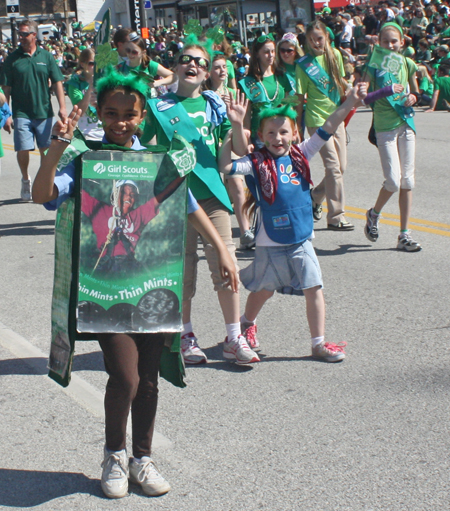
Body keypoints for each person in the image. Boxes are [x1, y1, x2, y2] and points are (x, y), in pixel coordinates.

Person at [32, 69, 239, 499]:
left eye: (129, 114)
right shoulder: (88, 158)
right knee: (124, 377)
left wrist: (220, 246)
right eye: (111, 113)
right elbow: (43, 193)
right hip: (103, 289)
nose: (120, 122)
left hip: (154, 285)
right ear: (101, 114)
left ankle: (142, 460)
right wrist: (55, 149)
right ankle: (113, 454)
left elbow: (181, 201)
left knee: (148, 380)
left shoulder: (159, 159)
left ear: (142, 115)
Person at [219, 85, 368, 361]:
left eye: (284, 131)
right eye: (271, 133)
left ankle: (318, 343)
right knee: (263, 290)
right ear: (261, 136)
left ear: (294, 134)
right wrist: (234, 129)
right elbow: (228, 167)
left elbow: (329, 125)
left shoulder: (302, 153)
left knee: (314, 286)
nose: (278, 138)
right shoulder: (256, 162)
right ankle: (246, 324)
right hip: (270, 242)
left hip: (301, 238)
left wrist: (349, 103)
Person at [142, 35, 260, 365]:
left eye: (200, 62)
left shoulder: (215, 106)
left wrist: (237, 124)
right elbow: (145, 149)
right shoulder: (158, 107)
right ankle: (184, 334)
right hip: (176, 197)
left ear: (207, 72)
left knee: (226, 265)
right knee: (184, 271)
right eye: (185, 59)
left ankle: (234, 338)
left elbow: (235, 151)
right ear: (175, 67)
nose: (192, 65)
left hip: (211, 196)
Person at [363, 22, 422, 252]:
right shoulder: (373, 64)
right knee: (393, 181)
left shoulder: (407, 63)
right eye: (385, 41)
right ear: (379, 42)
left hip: (405, 122)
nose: (390, 45)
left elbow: (417, 90)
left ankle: (404, 234)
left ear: (401, 43)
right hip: (385, 127)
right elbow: (364, 97)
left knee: (408, 180)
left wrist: (414, 97)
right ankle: (373, 214)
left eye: (394, 41)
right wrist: (386, 90)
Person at [0, 19, 67, 201]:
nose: (20, 37)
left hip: (44, 113)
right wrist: (6, 115)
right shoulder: (12, 59)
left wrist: (62, 107)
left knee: (46, 151)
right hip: (22, 113)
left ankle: (44, 182)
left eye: (24, 34)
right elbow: (6, 90)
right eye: (19, 34)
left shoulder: (46, 57)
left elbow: (58, 82)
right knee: (23, 149)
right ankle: (25, 179)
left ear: (34, 35)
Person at [296, 20, 354, 231]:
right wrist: (297, 126)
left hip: (335, 116)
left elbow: (339, 82)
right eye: (311, 40)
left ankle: (316, 196)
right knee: (333, 167)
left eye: (319, 39)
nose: (315, 43)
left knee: (341, 167)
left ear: (326, 38)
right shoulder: (303, 64)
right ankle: (336, 216)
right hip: (316, 120)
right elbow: (300, 97)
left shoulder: (335, 56)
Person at [205, 52, 255, 250]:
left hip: (230, 141)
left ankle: (245, 231)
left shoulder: (234, 94)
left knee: (236, 181)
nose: (222, 71)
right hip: (210, 142)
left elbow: (243, 123)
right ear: (208, 72)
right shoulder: (203, 95)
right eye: (217, 67)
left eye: (224, 67)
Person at [239, 33, 291, 149]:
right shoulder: (249, 82)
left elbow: (289, 106)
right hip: (260, 135)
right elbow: (246, 115)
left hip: (281, 132)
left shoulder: (282, 77)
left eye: (273, 51)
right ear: (257, 54)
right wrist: (247, 139)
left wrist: (294, 128)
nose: (271, 55)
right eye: (266, 52)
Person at [117, 32, 175, 97]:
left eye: (134, 52)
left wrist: (158, 82)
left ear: (143, 52)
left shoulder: (149, 65)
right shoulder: (120, 67)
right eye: (128, 50)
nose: (130, 54)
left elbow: (174, 76)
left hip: (145, 105)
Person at [65, 48, 103, 140]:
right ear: (82, 64)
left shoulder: (105, 80)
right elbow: (80, 111)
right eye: (91, 63)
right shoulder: (74, 83)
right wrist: (90, 87)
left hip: (106, 132)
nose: (95, 66)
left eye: (98, 63)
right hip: (87, 134)